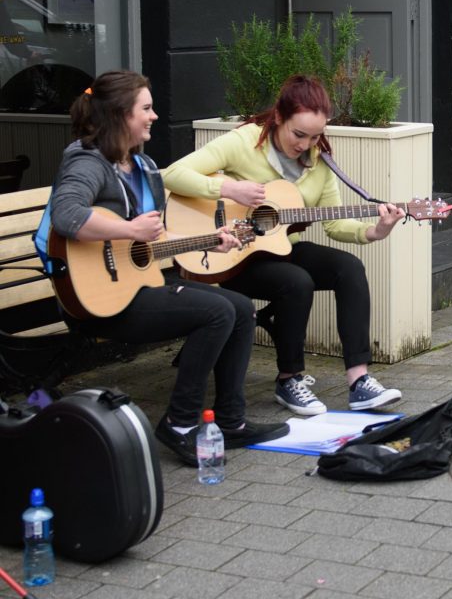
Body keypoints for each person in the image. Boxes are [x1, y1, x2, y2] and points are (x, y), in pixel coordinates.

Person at [44, 71, 288, 466]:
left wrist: (215, 238)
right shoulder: (88, 161)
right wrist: (128, 228)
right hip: (99, 302)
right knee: (217, 311)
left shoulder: (140, 166)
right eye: (146, 108)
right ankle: (179, 423)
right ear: (121, 115)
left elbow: (154, 238)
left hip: (136, 287)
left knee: (241, 308)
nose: (155, 116)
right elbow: (67, 215)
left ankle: (230, 420)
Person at [163, 75, 405, 415]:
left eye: (315, 135)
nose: (306, 144)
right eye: (298, 134)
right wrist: (229, 191)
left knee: (348, 267)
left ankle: (359, 380)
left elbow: (334, 223)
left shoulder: (320, 161)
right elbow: (172, 174)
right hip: (230, 256)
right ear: (278, 117)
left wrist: (376, 231)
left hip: (279, 248)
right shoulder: (244, 142)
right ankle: (289, 378)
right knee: (296, 282)